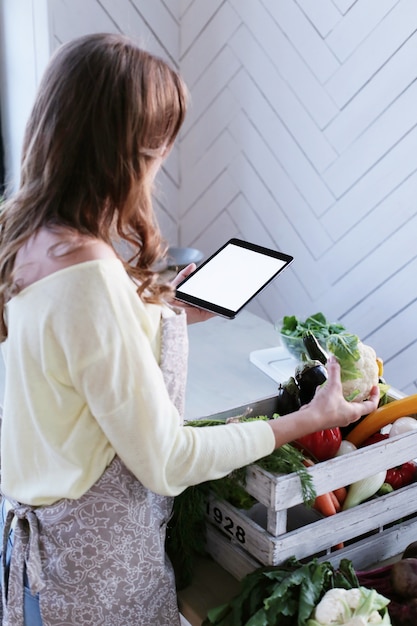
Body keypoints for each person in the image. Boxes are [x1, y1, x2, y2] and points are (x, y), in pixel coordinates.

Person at [0, 33, 379, 626]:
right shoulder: (90, 279)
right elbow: (169, 460)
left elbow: (72, 352)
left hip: (48, 558)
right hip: (95, 579)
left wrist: (161, 305)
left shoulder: (25, 240)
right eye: (155, 153)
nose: (157, 169)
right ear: (120, 154)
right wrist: (305, 421)